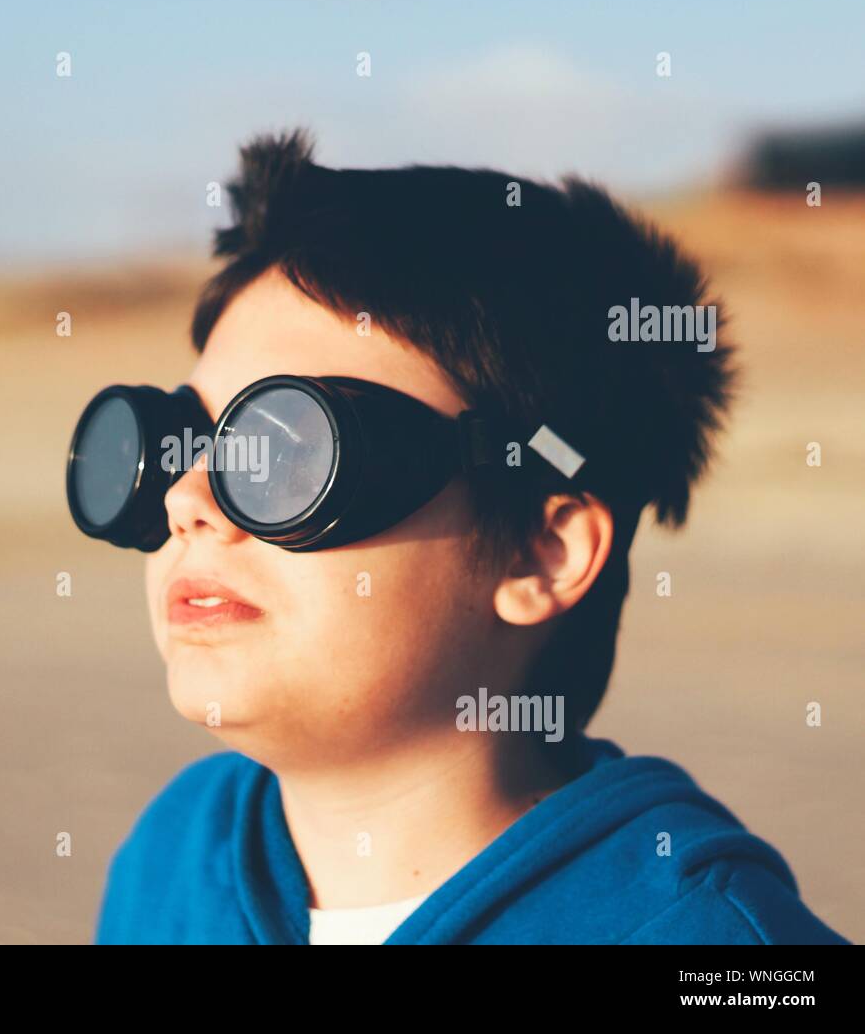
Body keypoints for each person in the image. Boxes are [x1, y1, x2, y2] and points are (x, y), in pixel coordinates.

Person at [77, 130, 848, 945]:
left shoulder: (708, 941)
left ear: (540, 553)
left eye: (287, 448)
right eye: (177, 442)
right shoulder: (174, 858)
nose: (188, 498)